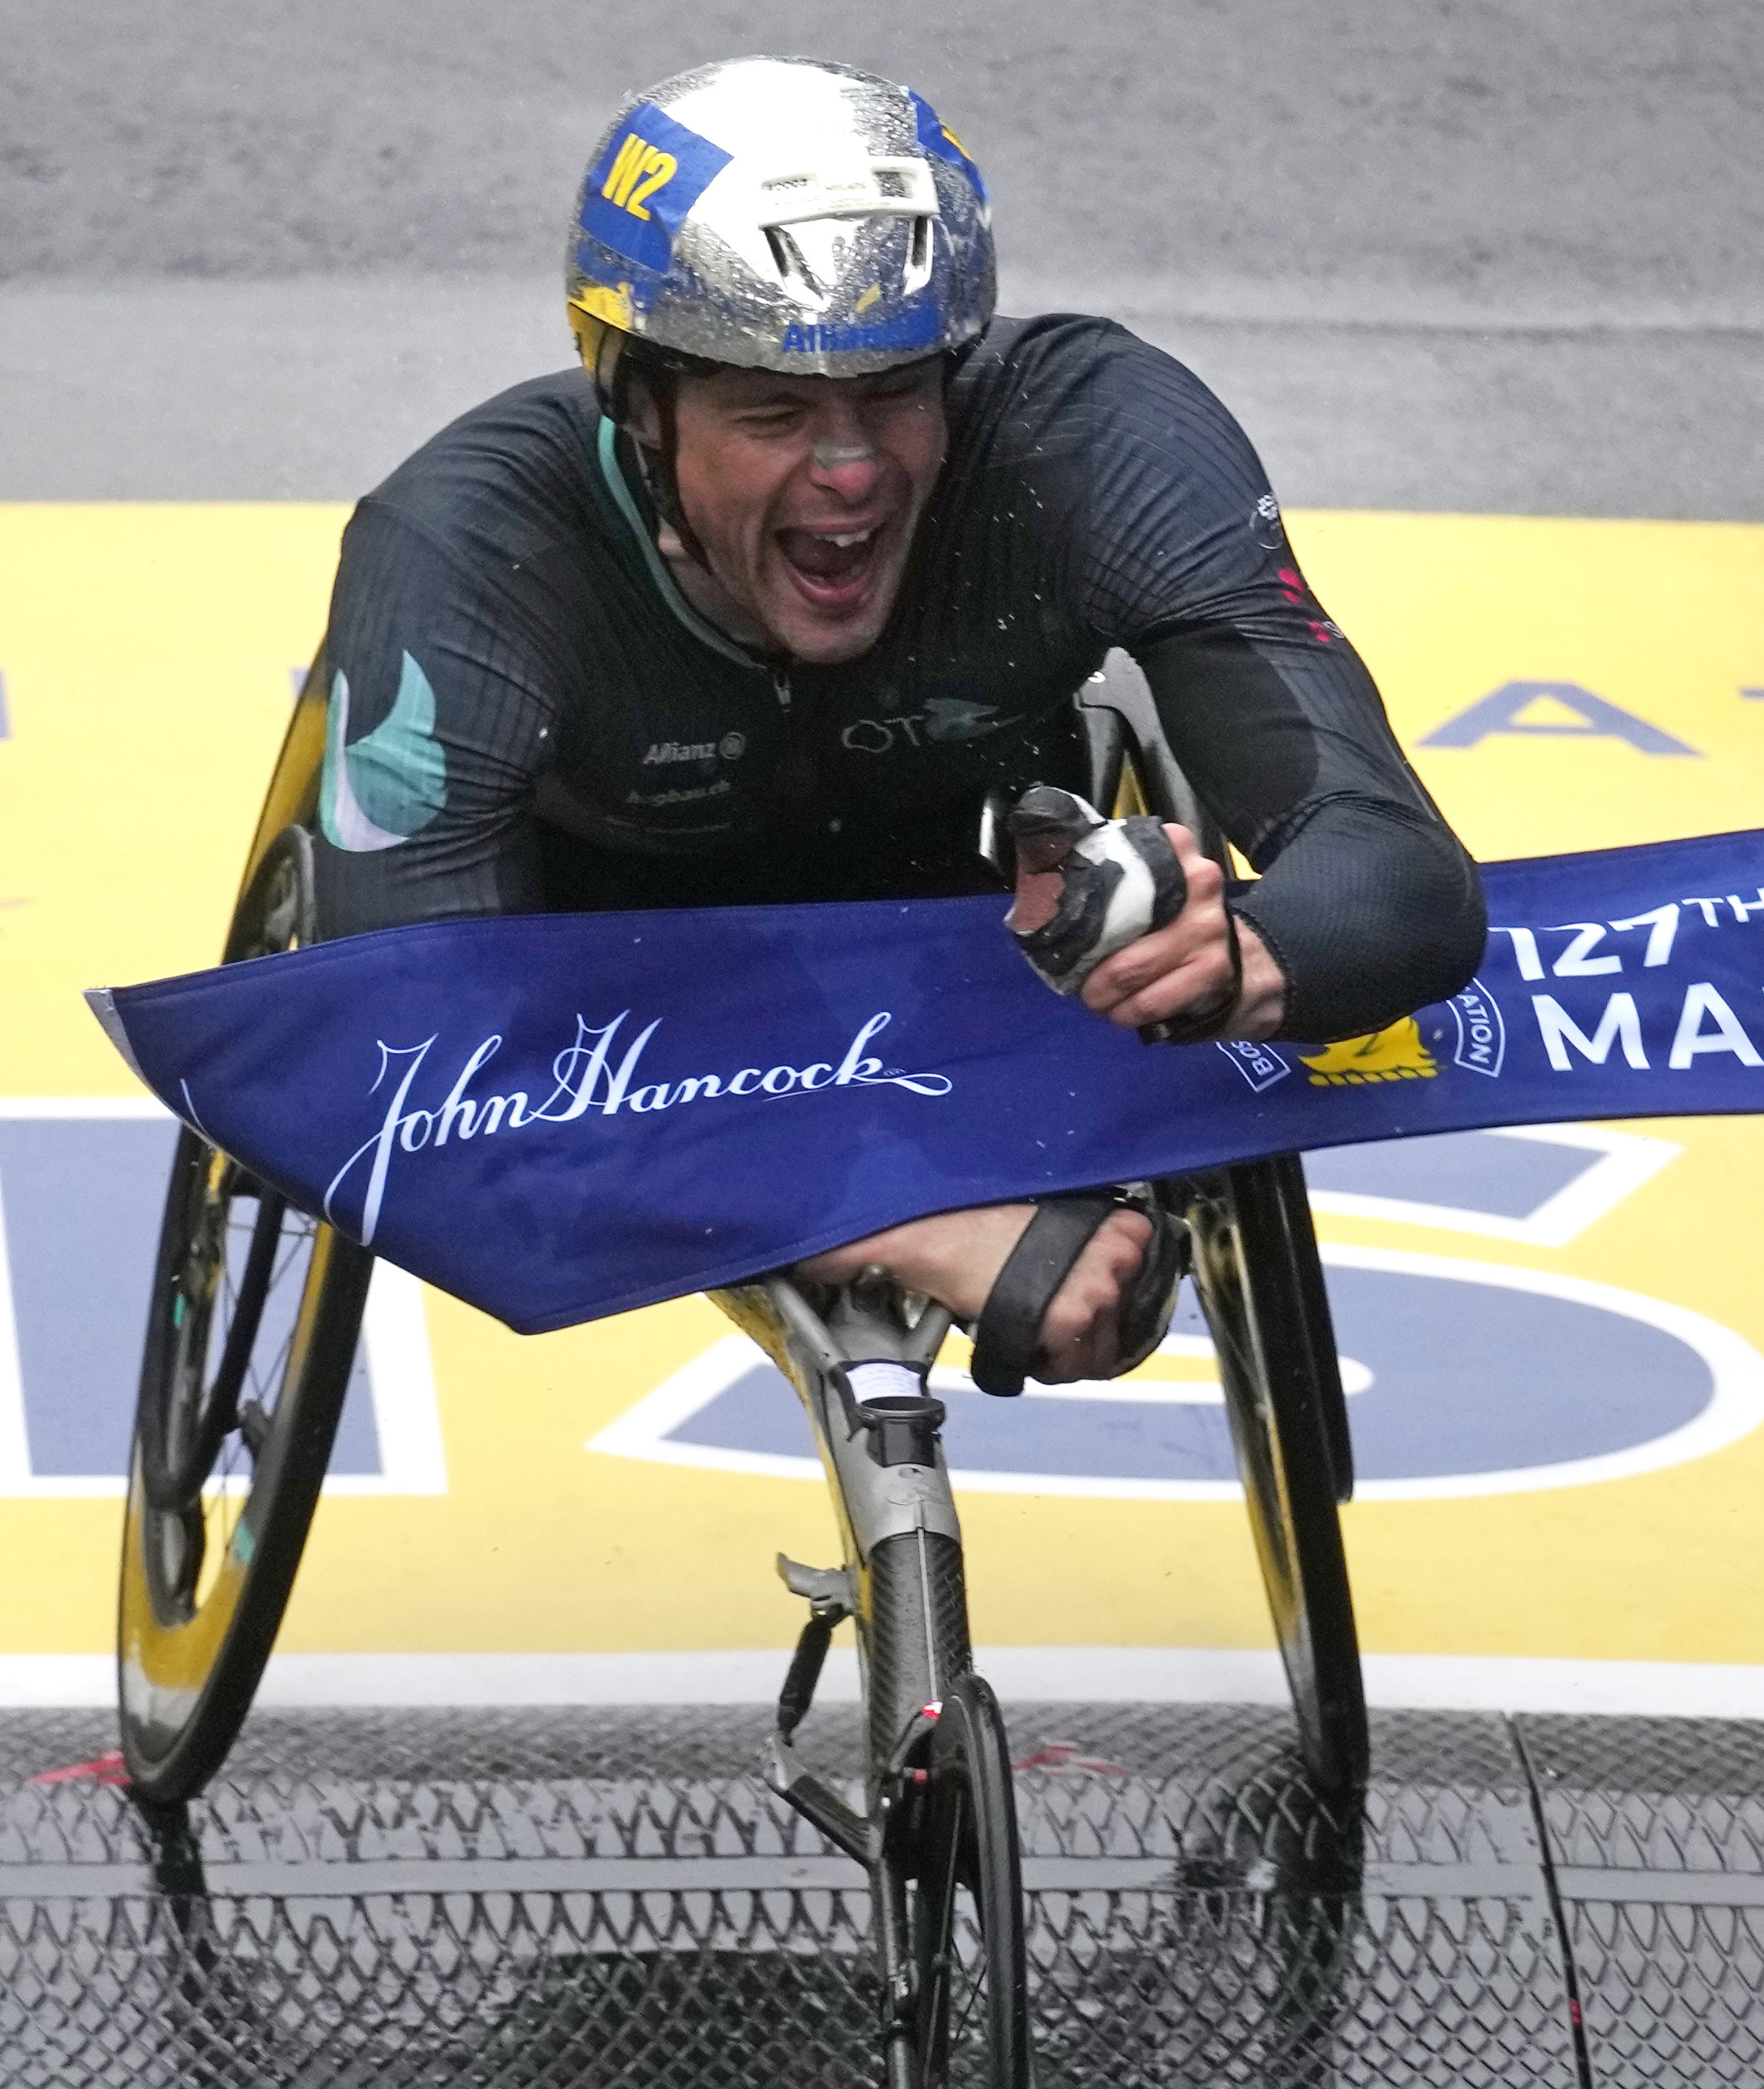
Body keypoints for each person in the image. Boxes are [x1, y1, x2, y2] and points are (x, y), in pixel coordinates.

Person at [303, 55, 1483, 1382]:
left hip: (966, 916)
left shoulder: (1093, 439)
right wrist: (900, 1221)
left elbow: (1403, 878)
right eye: (774, 411)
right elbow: (402, 1076)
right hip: (606, 983)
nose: (853, 469)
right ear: (641, 408)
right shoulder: (472, 549)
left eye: (894, 394)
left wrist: (1235, 956)